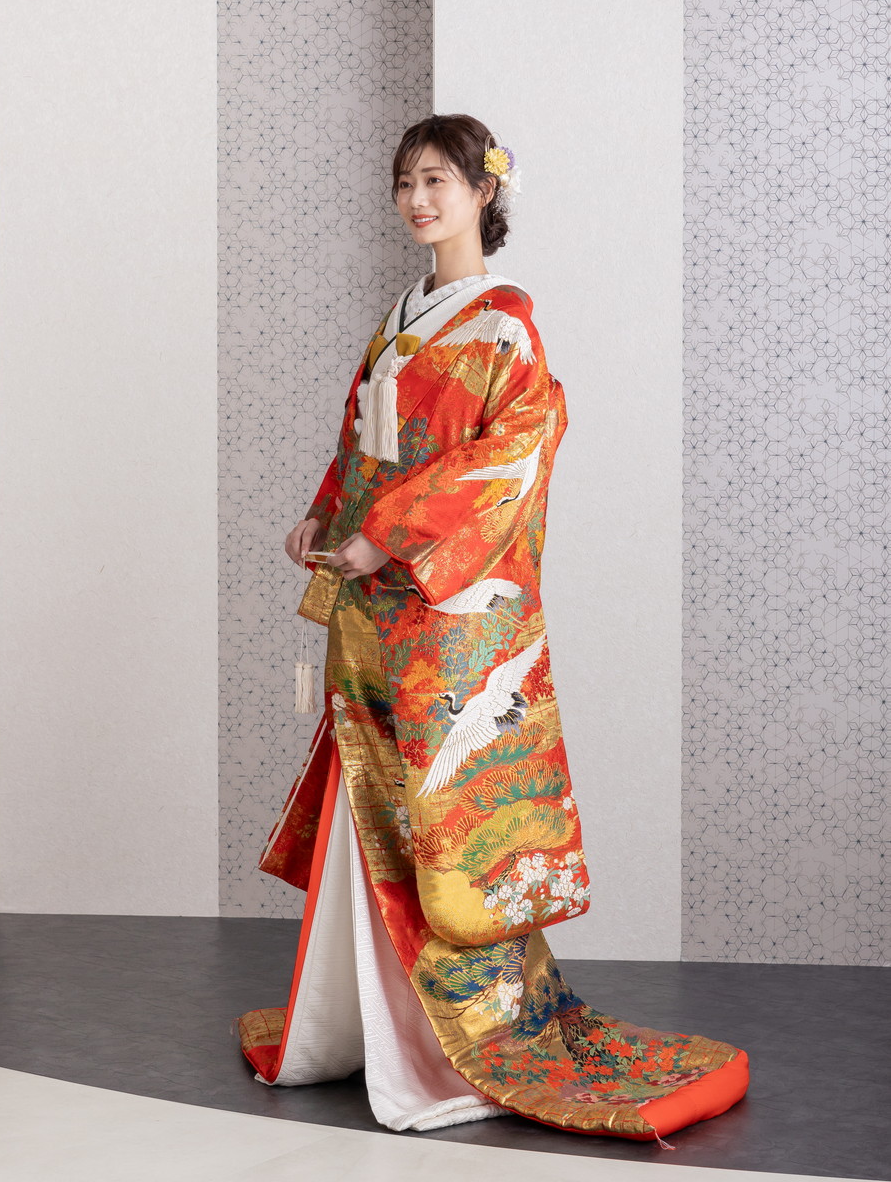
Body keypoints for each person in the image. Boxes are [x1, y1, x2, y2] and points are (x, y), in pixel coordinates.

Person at [237, 113, 748, 1143]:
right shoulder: (401, 319)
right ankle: (366, 1025)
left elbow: (509, 459)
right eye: (405, 183)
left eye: (438, 180)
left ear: (482, 192)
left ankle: (452, 1041)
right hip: (375, 606)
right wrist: (325, 518)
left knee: (447, 828)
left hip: (451, 621)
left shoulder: (506, 327)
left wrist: (388, 534)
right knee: (375, 810)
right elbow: (360, 445)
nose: (418, 200)